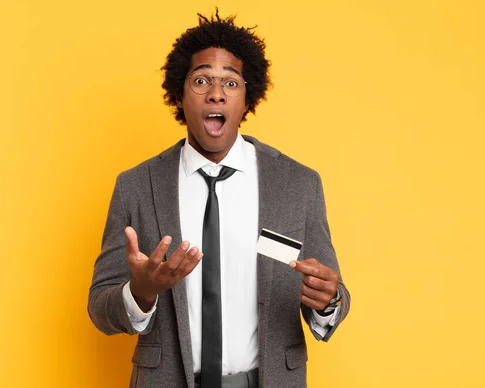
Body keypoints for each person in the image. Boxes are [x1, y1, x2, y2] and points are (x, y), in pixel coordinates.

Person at [88, 10, 350, 388]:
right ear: (179, 95)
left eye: (231, 82)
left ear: (247, 98)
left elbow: (333, 292)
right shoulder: (136, 185)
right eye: (201, 80)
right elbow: (100, 307)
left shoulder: (298, 184)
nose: (216, 92)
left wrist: (328, 302)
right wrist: (140, 293)